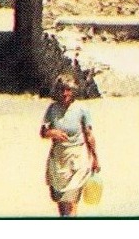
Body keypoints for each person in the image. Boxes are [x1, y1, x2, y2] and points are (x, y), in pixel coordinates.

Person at [41, 74, 100, 216]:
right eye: (62, 89)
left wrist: (95, 158)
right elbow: (43, 132)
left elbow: (89, 135)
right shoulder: (52, 109)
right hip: (58, 159)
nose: (64, 93)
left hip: (77, 159)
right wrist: (53, 133)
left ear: (73, 91)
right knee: (61, 203)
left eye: (68, 90)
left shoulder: (81, 109)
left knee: (71, 201)